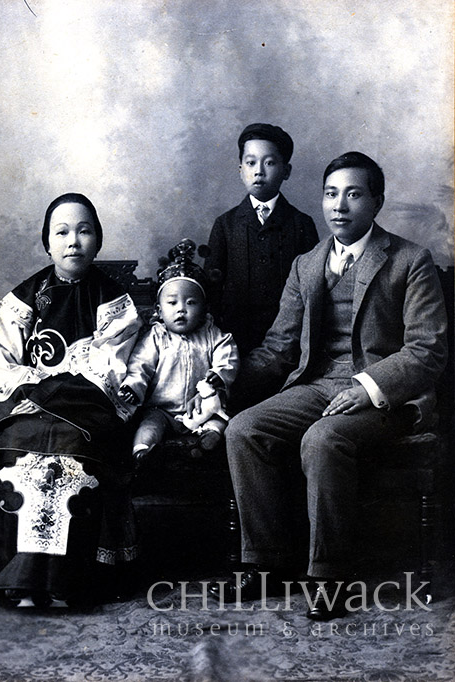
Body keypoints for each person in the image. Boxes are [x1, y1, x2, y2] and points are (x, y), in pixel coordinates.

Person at [209, 152, 448, 620]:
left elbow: (426, 350)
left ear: (376, 202)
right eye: (331, 194)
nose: (340, 205)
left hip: (387, 397)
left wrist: (367, 386)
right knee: (243, 429)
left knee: (323, 438)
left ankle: (330, 576)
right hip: (317, 385)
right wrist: (226, 378)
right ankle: (267, 565)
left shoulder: (411, 260)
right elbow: (279, 348)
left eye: (354, 194)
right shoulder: (307, 264)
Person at [0, 193, 143, 607]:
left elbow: (107, 368)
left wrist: (47, 387)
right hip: (29, 409)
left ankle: (61, 582)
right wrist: (34, 390)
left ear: (97, 240)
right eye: (62, 232)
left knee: (70, 460)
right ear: (48, 243)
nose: (73, 241)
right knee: (16, 459)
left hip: (85, 414)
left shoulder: (114, 301)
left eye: (84, 230)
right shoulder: (25, 297)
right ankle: (18, 581)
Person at [204, 122, 318, 357]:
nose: (259, 171)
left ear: (286, 171)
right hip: (233, 341)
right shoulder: (225, 224)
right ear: (240, 169)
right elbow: (212, 292)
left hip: (288, 342)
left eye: (269, 162)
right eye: (251, 162)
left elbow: (312, 290)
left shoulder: (301, 224)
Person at [118, 239, 240, 457]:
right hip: (162, 410)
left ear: (204, 308)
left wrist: (218, 375)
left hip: (201, 408)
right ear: (159, 309)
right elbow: (140, 366)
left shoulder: (212, 334)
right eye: (172, 303)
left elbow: (227, 355)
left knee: (218, 421)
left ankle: (207, 439)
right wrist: (132, 387)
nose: (181, 310)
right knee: (149, 426)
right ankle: (143, 452)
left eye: (191, 303)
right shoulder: (156, 337)